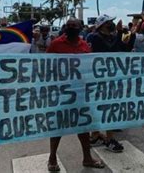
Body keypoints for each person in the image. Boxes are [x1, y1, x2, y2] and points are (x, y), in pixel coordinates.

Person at [46, 18, 104, 171]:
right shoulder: (56, 44)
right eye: (69, 26)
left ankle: (87, 158)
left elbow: (89, 66)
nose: (71, 28)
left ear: (80, 28)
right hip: (62, 92)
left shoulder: (85, 45)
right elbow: (46, 65)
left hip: (80, 92)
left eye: (74, 26)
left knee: (83, 126)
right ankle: (52, 158)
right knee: (58, 126)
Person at [87, 14, 133, 153]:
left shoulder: (112, 37)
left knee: (110, 107)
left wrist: (132, 35)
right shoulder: (94, 37)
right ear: (102, 25)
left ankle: (103, 136)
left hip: (111, 78)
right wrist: (118, 33)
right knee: (98, 107)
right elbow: (109, 49)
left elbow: (123, 50)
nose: (112, 24)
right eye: (109, 23)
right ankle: (101, 136)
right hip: (98, 78)